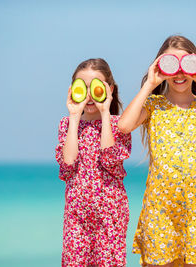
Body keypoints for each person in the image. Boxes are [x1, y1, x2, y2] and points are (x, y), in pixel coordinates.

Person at [118, 35, 196, 267]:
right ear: (159, 67)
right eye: (170, 65)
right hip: (161, 209)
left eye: (185, 64)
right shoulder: (153, 106)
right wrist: (150, 84)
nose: (178, 73)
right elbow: (124, 126)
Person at [55, 58, 132, 266]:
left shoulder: (119, 125)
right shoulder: (67, 125)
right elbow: (68, 165)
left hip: (110, 214)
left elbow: (109, 159)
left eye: (95, 88)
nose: (89, 95)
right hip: (76, 215)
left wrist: (106, 112)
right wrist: (73, 116)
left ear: (109, 89)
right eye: (82, 88)